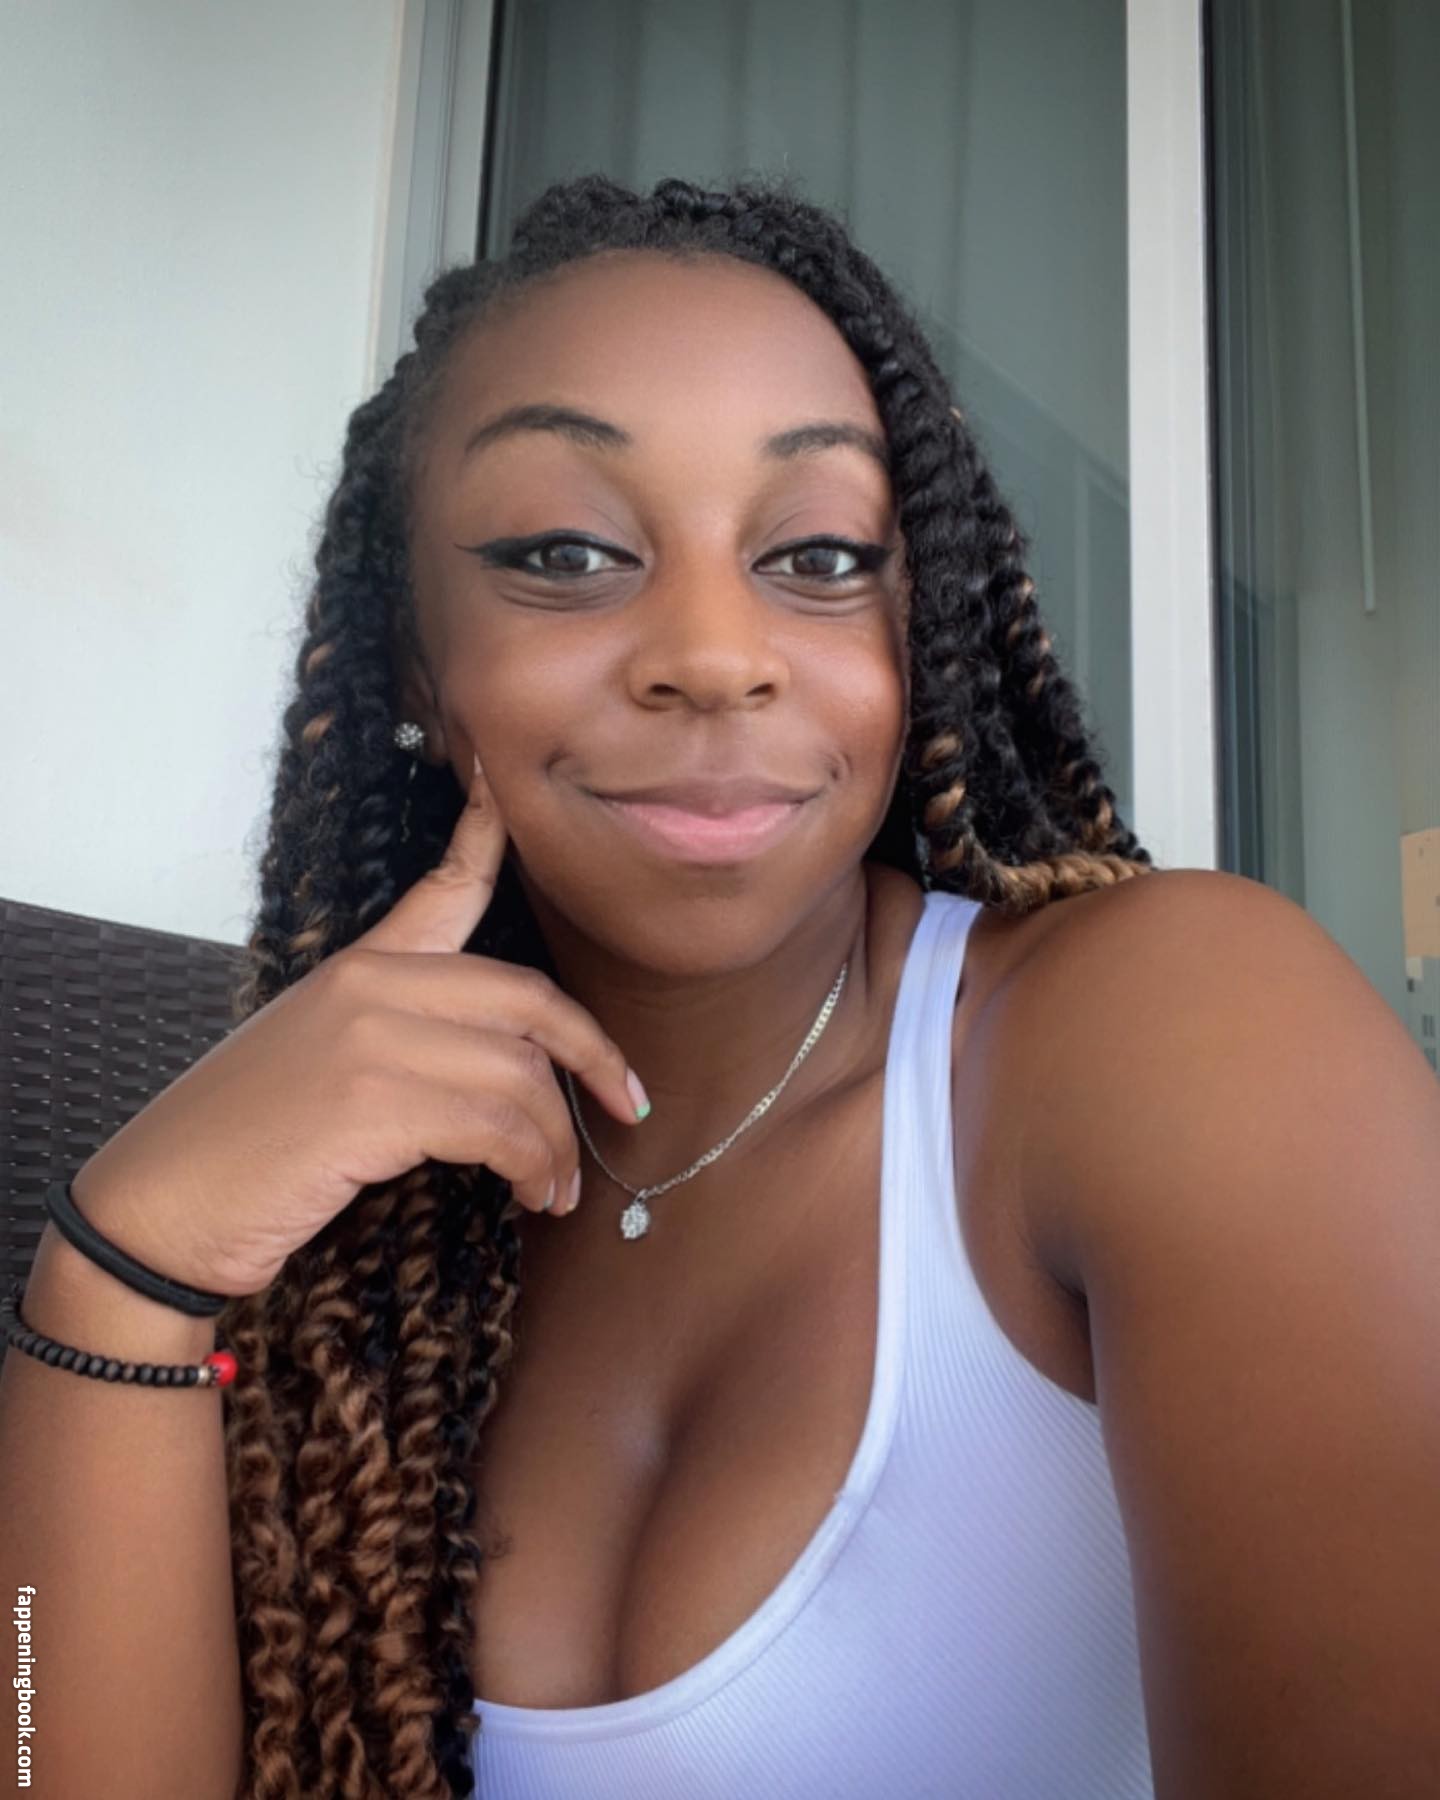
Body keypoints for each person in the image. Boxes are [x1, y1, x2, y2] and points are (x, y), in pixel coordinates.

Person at [1, 174, 1435, 1800]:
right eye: (566, 552)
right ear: (415, 660)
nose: (712, 653)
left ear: (924, 627)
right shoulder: (349, 1214)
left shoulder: (1167, 1031)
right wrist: (118, 1273)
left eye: (817, 555)